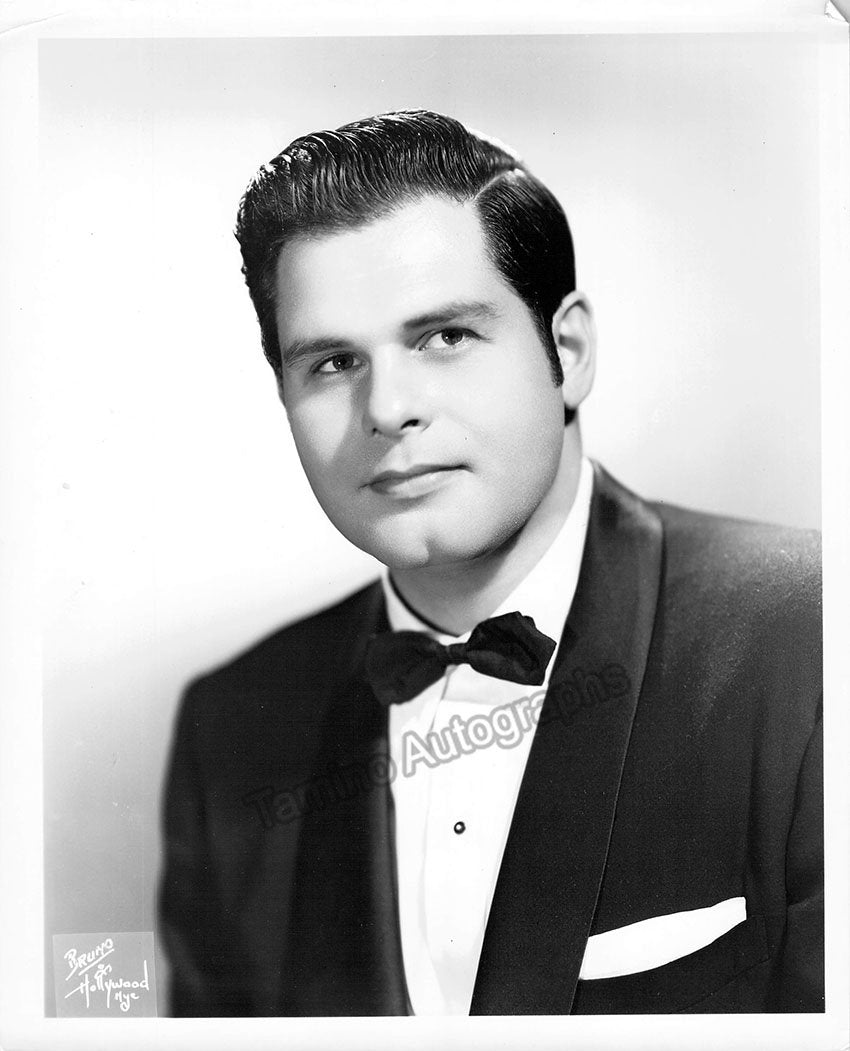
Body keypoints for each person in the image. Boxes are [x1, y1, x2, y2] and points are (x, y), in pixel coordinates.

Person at [158, 110, 823, 1016]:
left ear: (568, 352)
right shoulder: (230, 730)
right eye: (333, 362)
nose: (387, 408)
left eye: (445, 337)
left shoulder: (809, 638)